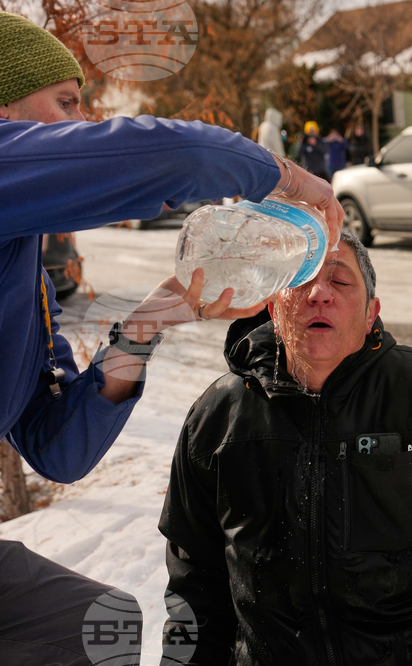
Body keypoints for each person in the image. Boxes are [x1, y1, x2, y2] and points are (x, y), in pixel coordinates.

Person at [0, 11, 343, 664]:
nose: (81, 125)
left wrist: (149, 323)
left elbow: (55, 445)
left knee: (93, 625)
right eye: (65, 103)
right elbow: (181, 157)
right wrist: (294, 181)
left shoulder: (27, 268)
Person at [158, 231, 412, 664]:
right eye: (299, 280)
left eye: (340, 281)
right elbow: (195, 579)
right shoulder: (219, 417)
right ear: (273, 310)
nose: (319, 294)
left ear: (372, 312)